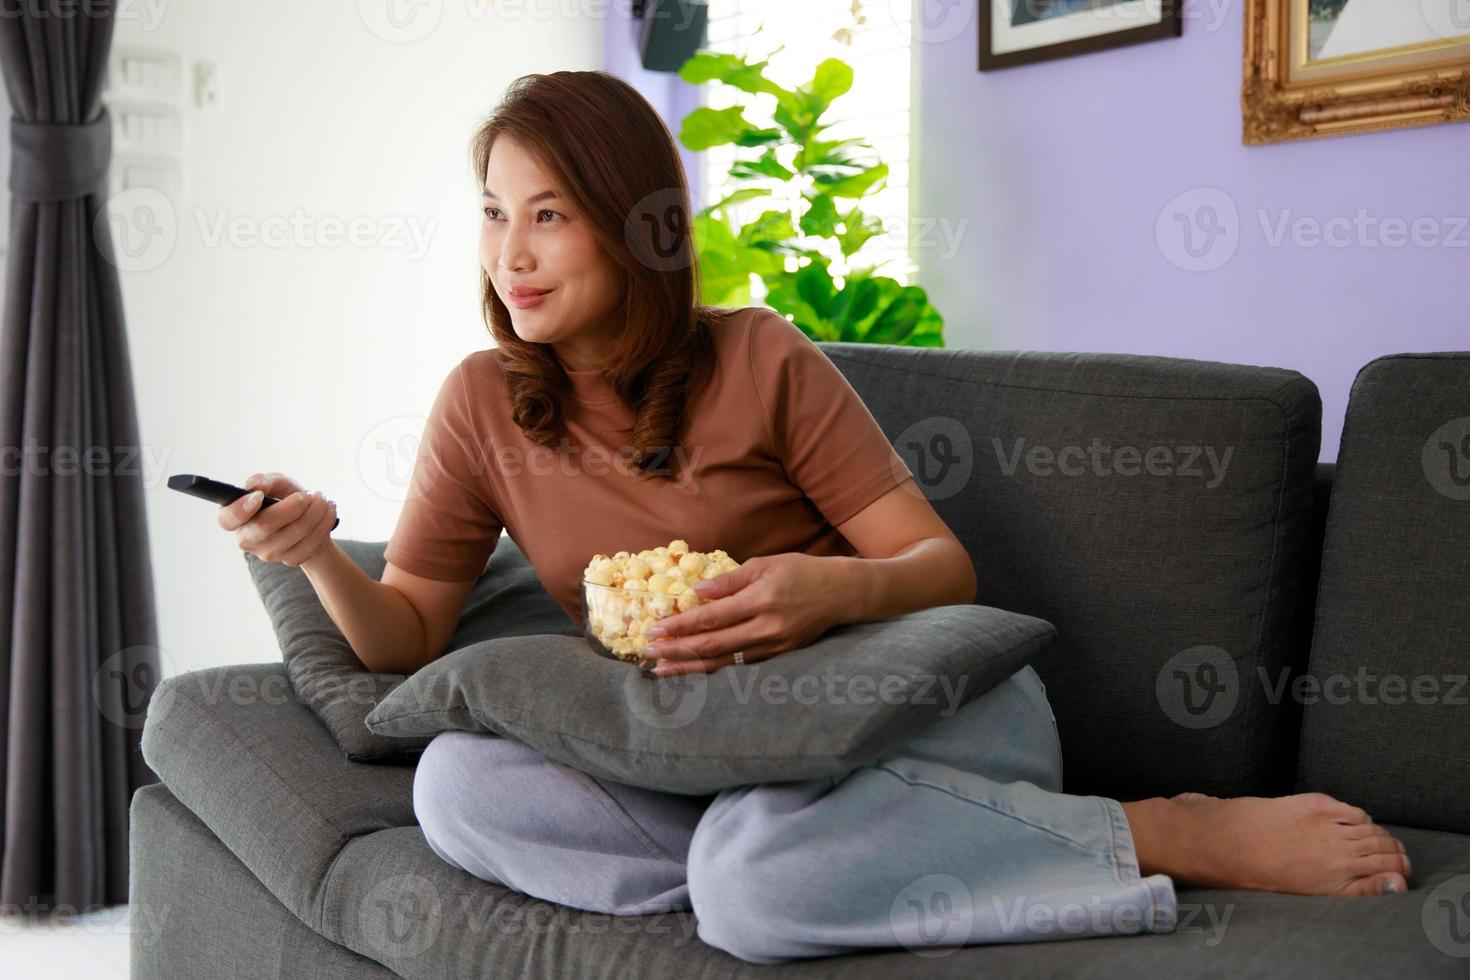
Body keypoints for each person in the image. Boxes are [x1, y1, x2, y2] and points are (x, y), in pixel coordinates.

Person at [215, 71, 1410, 964]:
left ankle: (1154, 830)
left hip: (906, 712)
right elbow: (407, 638)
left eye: (549, 215)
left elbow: (941, 567)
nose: (510, 254)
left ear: (637, 226)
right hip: (707, 760)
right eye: (492, 212)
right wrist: (318, 551)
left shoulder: (759, 356)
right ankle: (818, 860)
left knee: (750, 889)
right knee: (459, 787)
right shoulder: (484, 403)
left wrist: (816, 590)